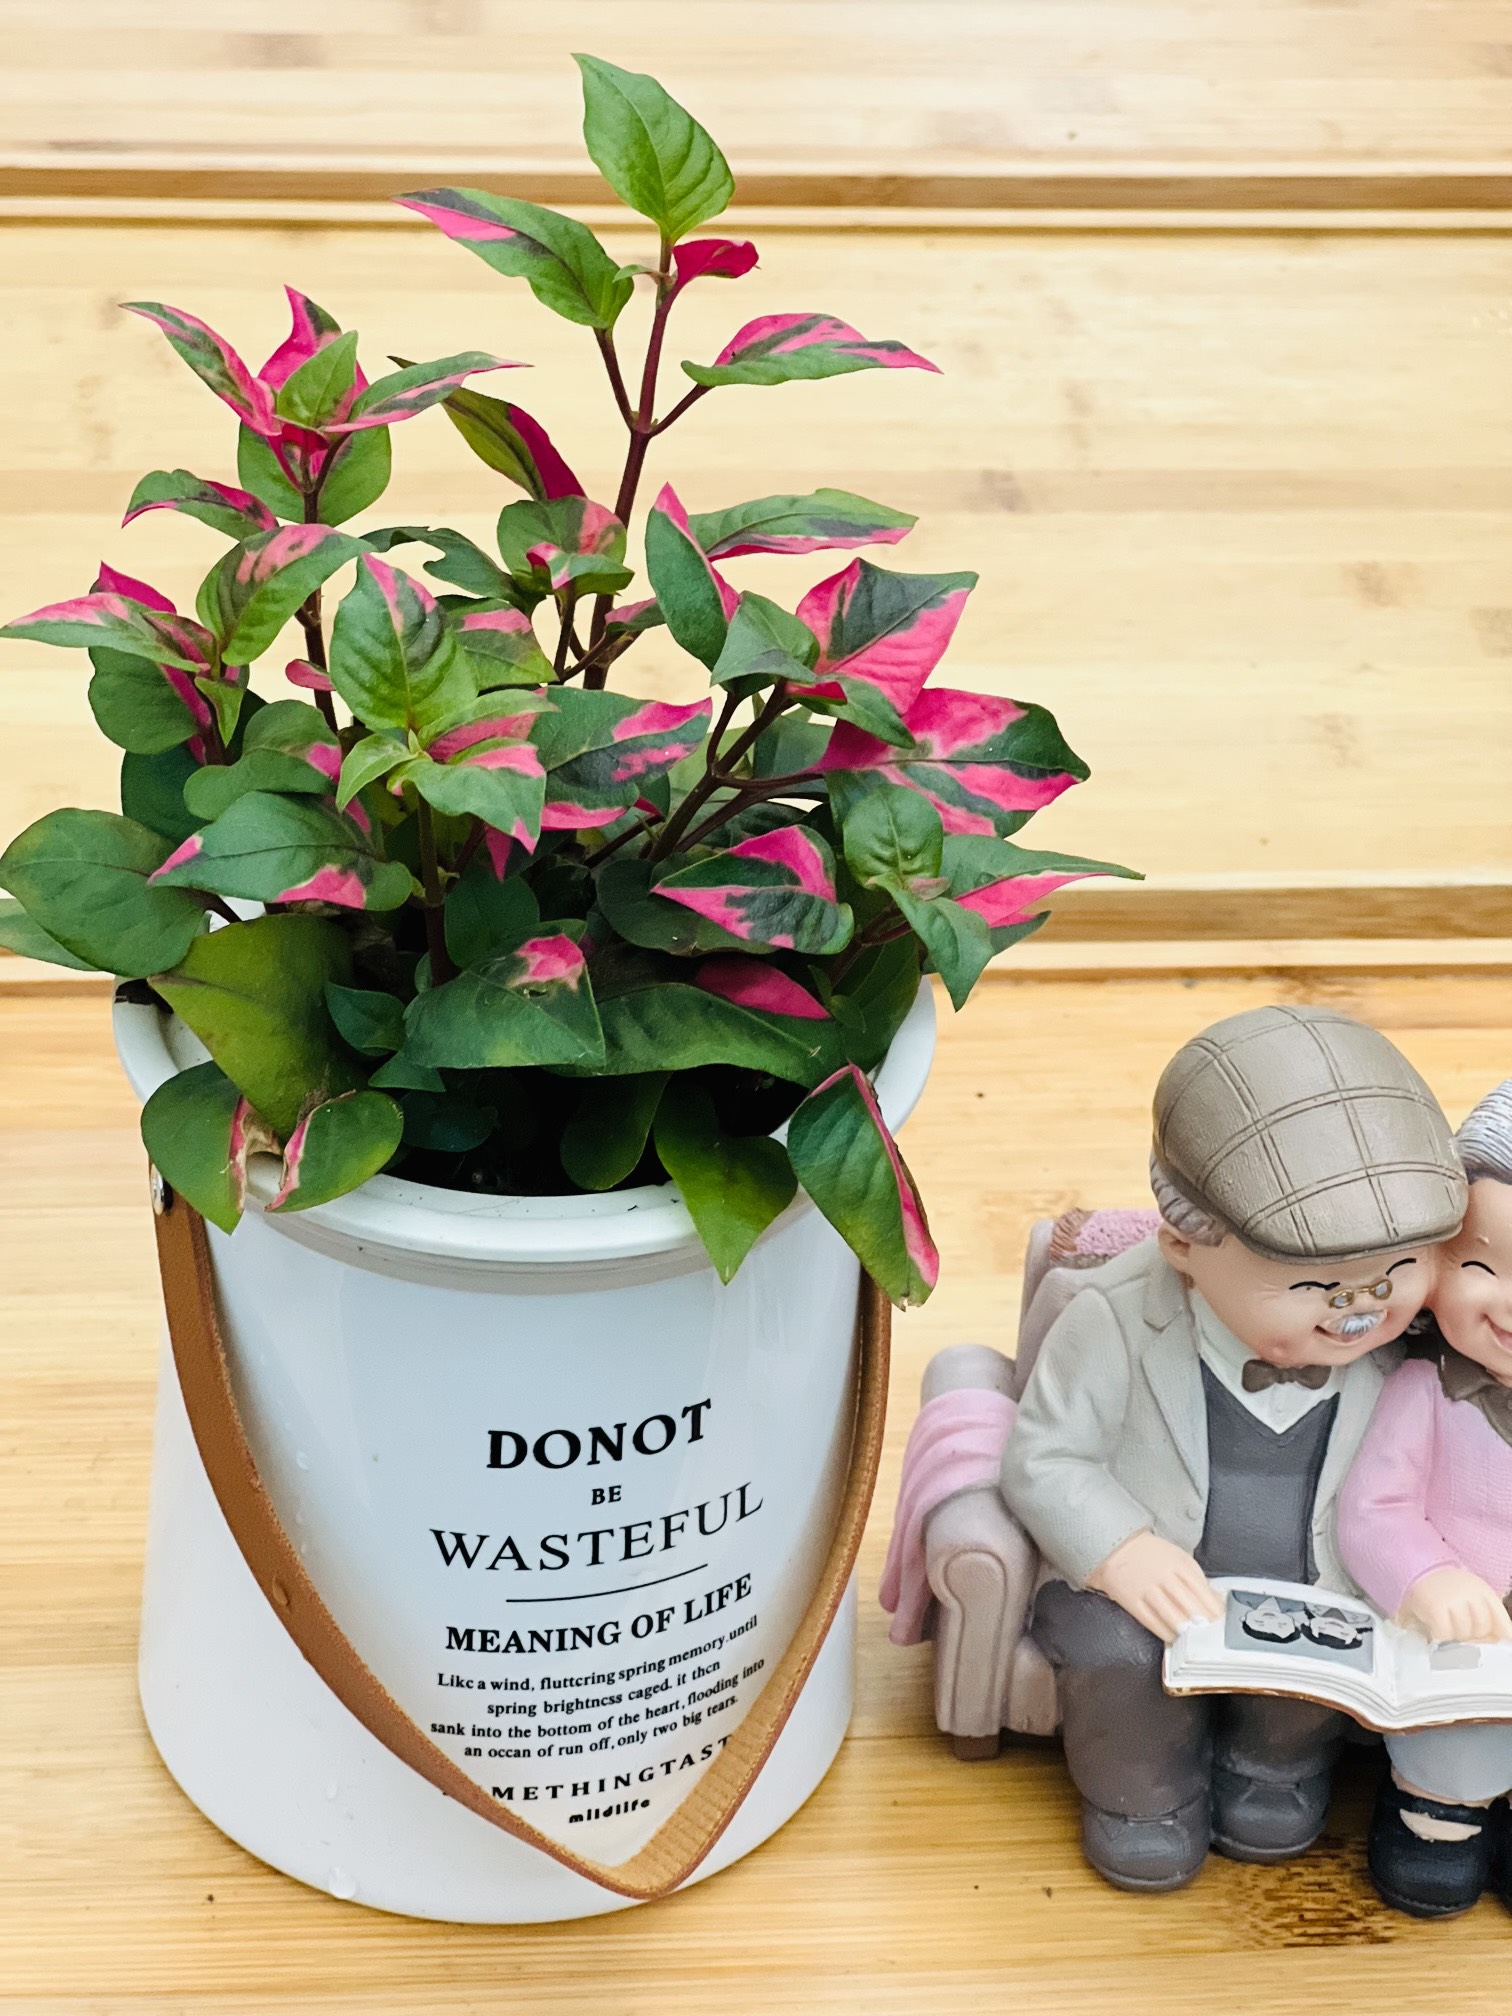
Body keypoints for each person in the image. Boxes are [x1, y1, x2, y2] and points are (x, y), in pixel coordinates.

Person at [1001, 1004, 1465, 1892]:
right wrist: (1122, 1550)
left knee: (1316, 1662)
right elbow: (1044, 1456)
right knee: (1122, 1659)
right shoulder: (1111, 1319)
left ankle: (1273, 1771)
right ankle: (1144, 1798)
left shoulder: (1416, 1344)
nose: (1361, 1311)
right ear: (1182, 1245)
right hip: (1143, 1582)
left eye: (1394, 1273)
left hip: (1315, 1581)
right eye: (1316, 1285)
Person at [1338, 1079, 1512, 1918]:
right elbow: (1376, 1507)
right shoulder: (1427, 1390)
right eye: (1480, 1266)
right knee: (1456, 1744)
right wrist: (1427, 1576)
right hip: (1461, 1644)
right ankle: (1441, 1817)